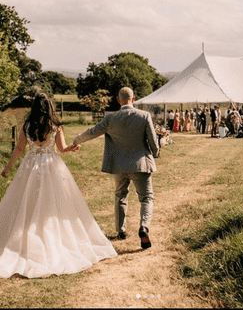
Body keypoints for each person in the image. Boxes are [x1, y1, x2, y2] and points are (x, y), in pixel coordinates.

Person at [0, 93, 117, 279]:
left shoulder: (27, 125)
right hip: (50, 166)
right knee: (53, 205)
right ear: (50, 107)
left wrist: (7, 168)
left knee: (25, 201)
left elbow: (19, 149)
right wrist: (71, 148)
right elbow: (62, 149)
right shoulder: (55, 126)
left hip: (30, 166)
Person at [73, 87, 159, 249]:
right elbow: (153, 142)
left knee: (120, 196)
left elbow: (93, 131)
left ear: (119, 100)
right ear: (133, 100)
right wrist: (156, 152)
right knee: (146, 198)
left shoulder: (110, 118)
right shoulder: (144, 116)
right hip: (140, 165)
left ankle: (121, 231)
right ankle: (144, 227)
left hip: (119, 166)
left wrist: (76, 141)